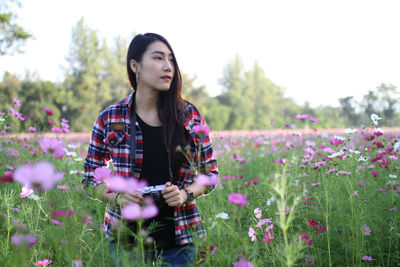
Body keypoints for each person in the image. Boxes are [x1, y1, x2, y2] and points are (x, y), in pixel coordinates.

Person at [82, 33, 218, 266]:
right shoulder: (110, 117)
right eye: (158, 58)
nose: (168, 67)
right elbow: (89, 179)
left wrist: (185, 194)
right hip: (126, 239)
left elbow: (210, 174)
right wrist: (117, 198)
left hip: (179, 239)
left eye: (171, 60)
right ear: (135, 66)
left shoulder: (189, 116)